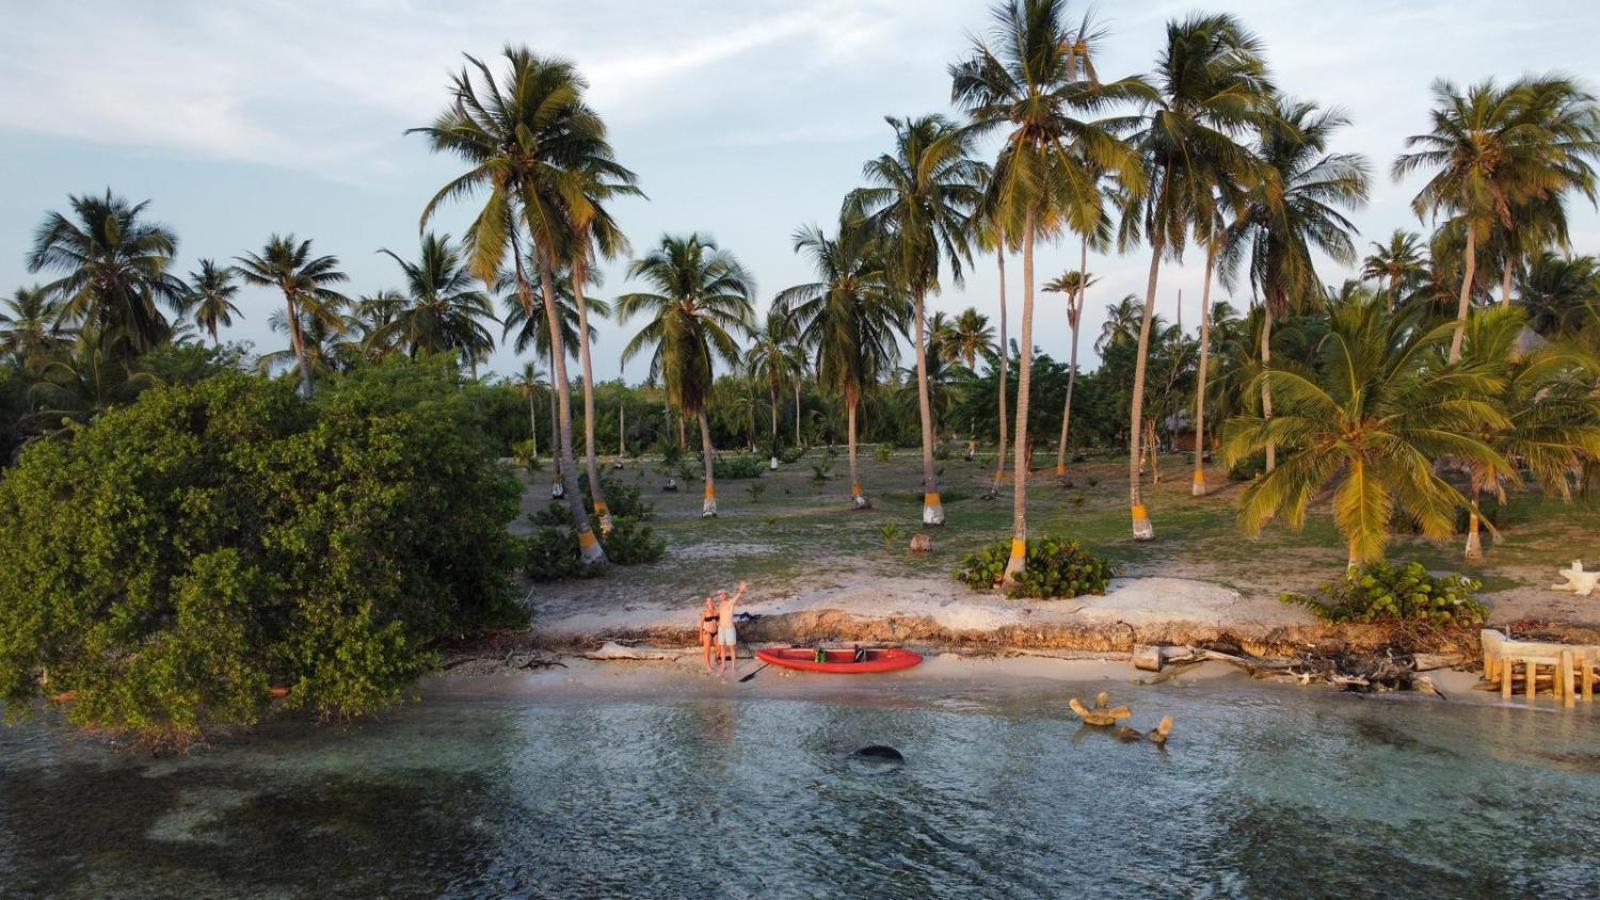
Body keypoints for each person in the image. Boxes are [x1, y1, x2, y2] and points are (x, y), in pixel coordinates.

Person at [715, 581, 747, 676]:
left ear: (726, 595)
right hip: (721, 629)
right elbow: (717, 615)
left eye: (722, 594)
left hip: (729, 629)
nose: (721, 596)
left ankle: (733, 666)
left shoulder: (730, 603)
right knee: (722, 648)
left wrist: (740, 591)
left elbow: (736, 598)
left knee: (732, 648)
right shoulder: (720, 605)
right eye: (720, 595)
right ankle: (723, 666)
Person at [699, 596, 718, 675]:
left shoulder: (716, 611)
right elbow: (701, 625)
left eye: (711, 601)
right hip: (707, 632)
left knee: (719, 647)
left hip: (716, 632)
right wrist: (700, 636)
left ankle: (716, 659)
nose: (710, 602)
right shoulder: (705, 613)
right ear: (706, 603)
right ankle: (708, 665)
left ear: (713, 602)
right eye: (708, 601)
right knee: (707, 650)